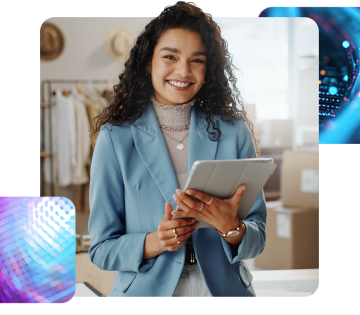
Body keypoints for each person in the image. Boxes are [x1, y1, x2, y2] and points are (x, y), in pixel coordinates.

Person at [88, 1, 266, 297]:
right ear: (148, 61)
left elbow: (257, 236)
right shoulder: (115, 138)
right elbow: (101, 249)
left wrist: (232, 228)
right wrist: (155, 241)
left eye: (197, 60)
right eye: (170, 56)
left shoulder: (234, 131)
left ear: (208, 68)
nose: (183, 71)